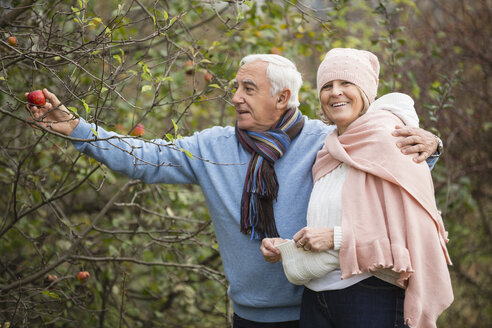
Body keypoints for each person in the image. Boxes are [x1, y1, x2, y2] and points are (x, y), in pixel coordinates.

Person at [26, 53, 441, 327]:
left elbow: (391, 164)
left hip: (317, 307)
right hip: (250, 315)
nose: (235, 97)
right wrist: (79, 130)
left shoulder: (323, 139)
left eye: (248, 88)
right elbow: (144, 157)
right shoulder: (212, 147)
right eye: (236, 87)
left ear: (283, 98)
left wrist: (433, 145)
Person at [260, 48, 453, 328]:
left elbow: (409, 230)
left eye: (346, 83)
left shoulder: (393, 141)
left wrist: (335, 238)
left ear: (364, 92)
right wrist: (290, 248)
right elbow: (333, 219)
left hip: (369, 295)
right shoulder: (328, 150)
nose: (335, 92)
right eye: (327, 86)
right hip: (316, 297)